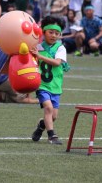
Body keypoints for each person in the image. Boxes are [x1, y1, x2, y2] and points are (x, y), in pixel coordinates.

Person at [30, 16, 68, 145]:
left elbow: (57, 63)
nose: (54, 35)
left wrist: (39, 56)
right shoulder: (37, 47)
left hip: (55, 86)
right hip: (42, 85)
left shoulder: (60, 48)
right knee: (48, 108)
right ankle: (52, 136)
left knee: (53, 116)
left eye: (57, 33)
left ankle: (41, 125)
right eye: (50, 32)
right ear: (43, 32)